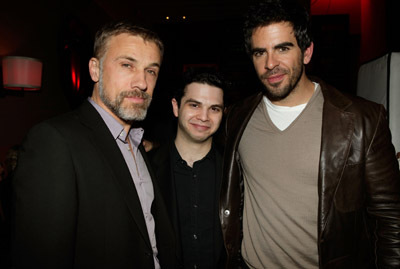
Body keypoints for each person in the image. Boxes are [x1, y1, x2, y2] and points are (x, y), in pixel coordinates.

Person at [220, 0, 400, 268]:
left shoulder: (363, 121)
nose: (270, 63)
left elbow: (390, 219)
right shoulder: (236, 117)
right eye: (260, 52)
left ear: (306, 52)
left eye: (282, 48)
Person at [13, 22, 176, 268]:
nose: (142, 83)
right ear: (95, 69)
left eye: (151, 71)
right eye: (127, 65)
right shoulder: (54, 140)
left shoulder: (138, 144)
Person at [150, 68, 226, 268]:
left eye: (214, 109)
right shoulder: (145, 168)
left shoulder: (235, 171)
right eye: (194, 105)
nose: (204, 117)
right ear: (176, 107)